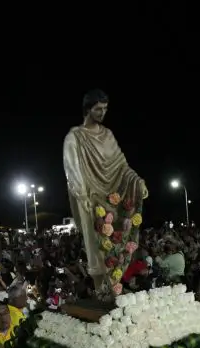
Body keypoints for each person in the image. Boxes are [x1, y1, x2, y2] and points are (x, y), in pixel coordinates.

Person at [62, 89, 148, 294]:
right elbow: (72, 170)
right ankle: (101, 289)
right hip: (90, 199)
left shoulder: (107, 135)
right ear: (88, 109)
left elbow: (121, 166)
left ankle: (115, 286)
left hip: (112, 198)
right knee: (96, 246)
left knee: (115, 242)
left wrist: (137, 181)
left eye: (105, 109)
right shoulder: (75, 137)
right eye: (98, 109)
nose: (102, 113)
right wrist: (82, 196)